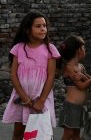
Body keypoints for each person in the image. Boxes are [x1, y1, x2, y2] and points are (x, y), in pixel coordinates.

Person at [2, 10, 60, 140]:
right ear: (28, 30)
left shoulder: (50, 49)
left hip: (41, 100)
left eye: (44, 26)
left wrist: (41, 101)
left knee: (41, 134)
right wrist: (24, 98)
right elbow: (13, 74)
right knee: (18, 133)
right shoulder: (19, 48)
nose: (43, 29)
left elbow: (51, 77)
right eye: (38, 26)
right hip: (22, 99)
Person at [57, 35, 91, 140]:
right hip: (71, 106)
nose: (85, 50)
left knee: (76, 134)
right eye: (84, 48)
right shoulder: (69, 68)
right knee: (68, 133)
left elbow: (87, 79)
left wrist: (84, 76)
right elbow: (82, 86)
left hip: (79, 107)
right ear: (78, 50)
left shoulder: (81, 67)